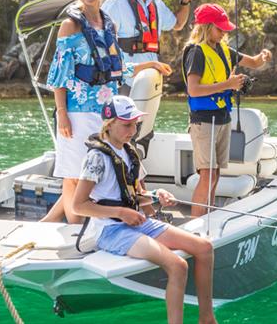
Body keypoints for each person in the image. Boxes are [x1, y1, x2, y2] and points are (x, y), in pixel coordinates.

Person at [41, 0, 171, 224]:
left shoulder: (107, 23)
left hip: (104, 114)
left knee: (95, 171)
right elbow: (59, 75)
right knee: (75, 175)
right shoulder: (70, 26)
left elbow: (119, 66)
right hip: (76, 112)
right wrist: (62, 115)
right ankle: (75, 229)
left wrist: (150, 65)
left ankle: (50, 222)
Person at [73, 95, 217, 324]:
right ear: (109, 124)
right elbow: (78, 205)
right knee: (177, 266)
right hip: (111, 230)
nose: (132, 130)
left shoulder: (129, 152)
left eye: (135, 125)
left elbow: (131, 195)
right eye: (126, 124)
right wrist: (121, 213)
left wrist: (155, 196)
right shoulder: (96, 158)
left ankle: (207, 318)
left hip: (136, 221)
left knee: (205, 248)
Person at [181, 4, 272, 217]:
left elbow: (254, 63)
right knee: (207, 176)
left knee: (215, 174)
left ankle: (209, 216)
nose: (224, 33)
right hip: (203, 121)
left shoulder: (224, 50)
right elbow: (193, 90)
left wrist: (263, 56)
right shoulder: (196, 53)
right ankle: (196, 222)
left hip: (222, 118)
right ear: (206, 27)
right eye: (220, 29)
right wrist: (228, 85)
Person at [101, 0, 204, 93]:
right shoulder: (115, 3)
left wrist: (185, 1)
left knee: (147, 116)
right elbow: (102, 43)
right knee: (125, 116)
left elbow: (178, 24)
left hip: (151, 79)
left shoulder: (156, 3)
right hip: (126, 81)